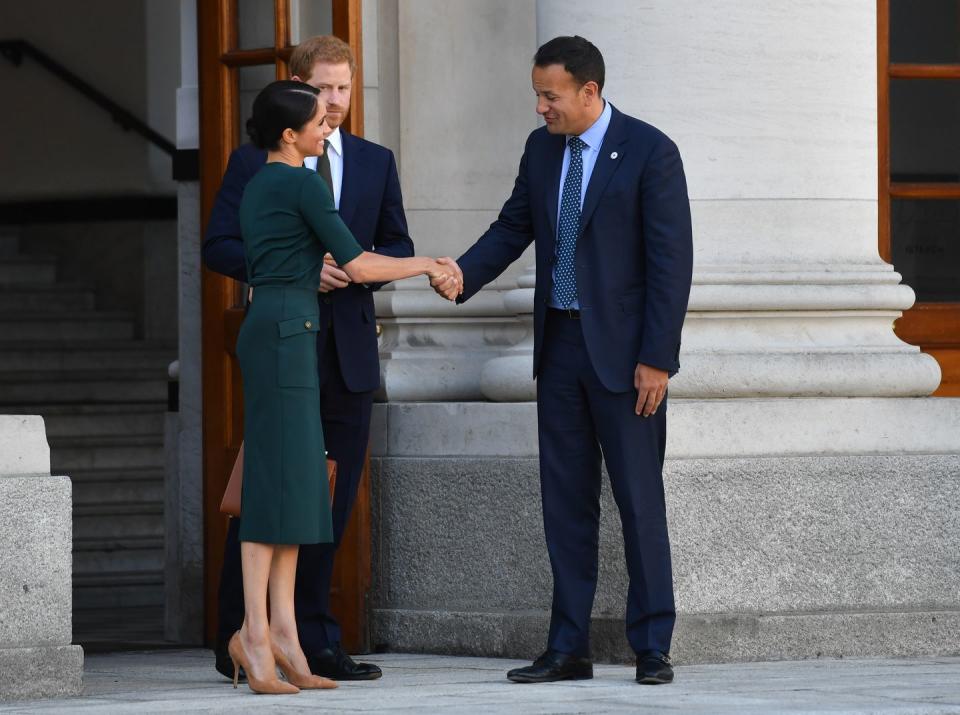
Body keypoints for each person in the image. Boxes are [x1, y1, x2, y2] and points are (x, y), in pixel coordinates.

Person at [433, 36, 693, 685]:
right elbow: (512, 226)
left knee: (639, 500)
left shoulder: (650, 151)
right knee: (566, 503)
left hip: (627, 359)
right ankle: (568, 646)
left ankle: (652, 644)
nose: (541, 107)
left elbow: (671, 265)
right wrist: (462, 274)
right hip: (562, 349)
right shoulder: (540, 149)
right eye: (537, 95)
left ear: (589, 91)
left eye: (550, 95)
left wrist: (657, 357)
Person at [204, 36, 451, 682]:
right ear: (297, 104)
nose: (336, 105)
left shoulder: (366, 162)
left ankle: (298, 634)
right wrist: (421, 265)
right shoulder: (264, 169)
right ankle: (248, 631)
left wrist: (338, 266)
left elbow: (380, 243)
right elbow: (226, 245)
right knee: (274, 489)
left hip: (337, 346)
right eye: (325, 93)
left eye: (345, 88)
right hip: (290, 338)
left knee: (313, 500)